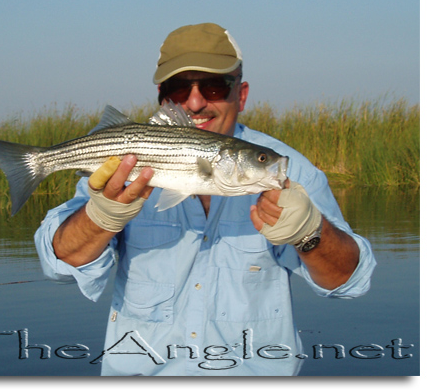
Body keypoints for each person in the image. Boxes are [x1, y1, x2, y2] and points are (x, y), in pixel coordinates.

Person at [35, 23, 376, 376]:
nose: (195, 102)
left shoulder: (288, 170)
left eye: (214, 86)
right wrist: (100, 218)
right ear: (162, 97)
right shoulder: (118, 169)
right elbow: (58, 264)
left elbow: (351, 282)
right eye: (178, 89)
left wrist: (310, 233)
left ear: (240, 94)